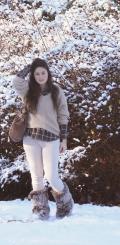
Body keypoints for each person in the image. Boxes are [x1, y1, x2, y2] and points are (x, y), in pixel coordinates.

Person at [12, 58, 74, 220]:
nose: (40, 76)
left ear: (48, 73)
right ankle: (40, 209)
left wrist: (64, 139)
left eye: (43, 73)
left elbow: (63, 115)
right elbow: (17, 81)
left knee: (52, 177)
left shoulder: (56, 91)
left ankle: (66, 203)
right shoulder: (28, 90)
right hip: (31, 138)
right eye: (37, 73)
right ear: (33, 75)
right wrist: (29, 66)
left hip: (51, 138)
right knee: (36, 175)